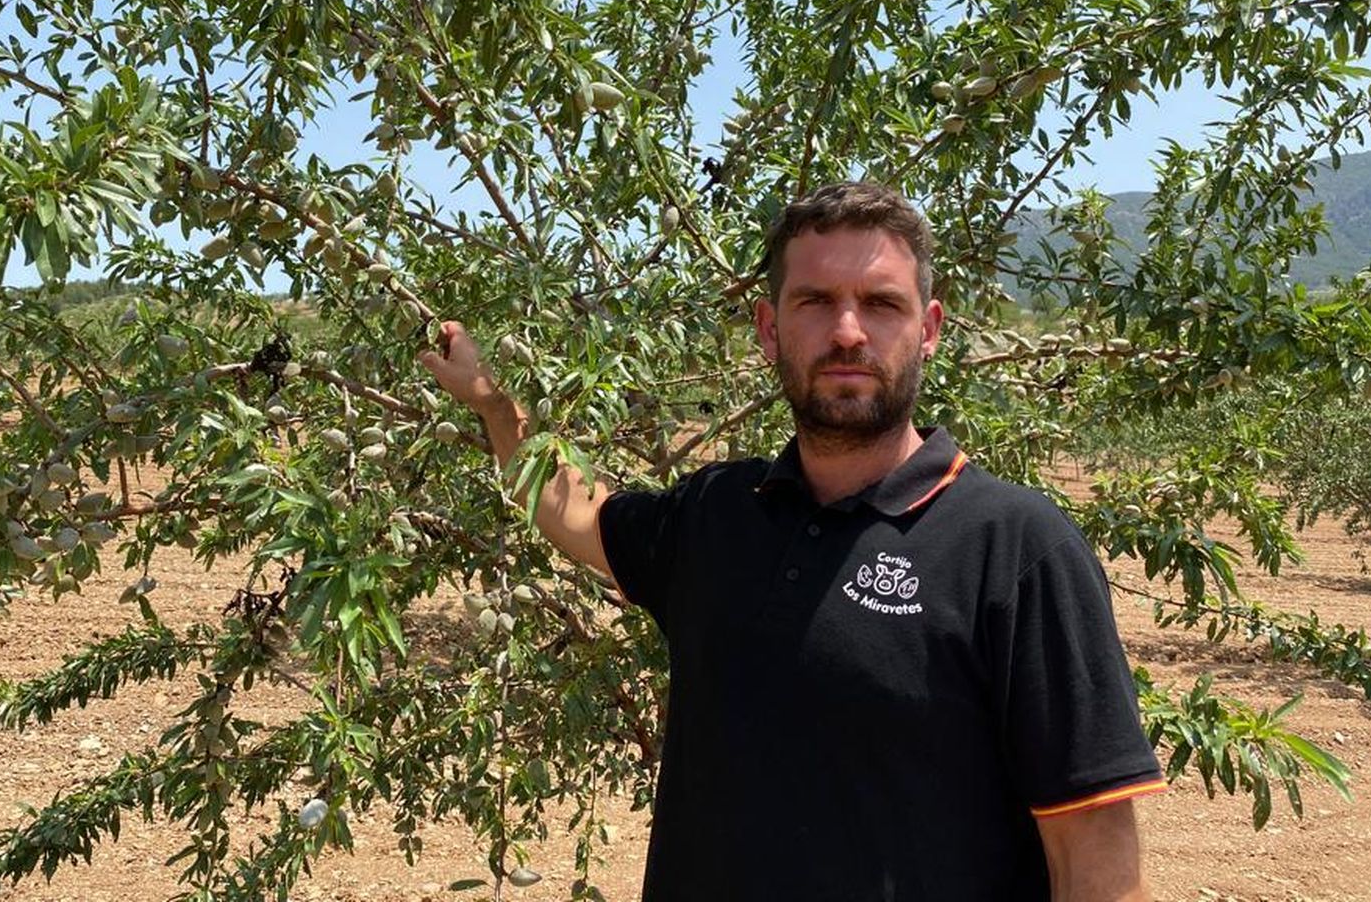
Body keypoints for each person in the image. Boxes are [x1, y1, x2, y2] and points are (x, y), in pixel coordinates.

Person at [419, 181, 1165, 901]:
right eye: (815, 302)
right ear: (769, 329)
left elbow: (1096, 856)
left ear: (929, 329)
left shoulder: (1015, 549)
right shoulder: (718, 513)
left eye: (880, 304)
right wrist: (490, 400)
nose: (848, 332)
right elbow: (577, 515)